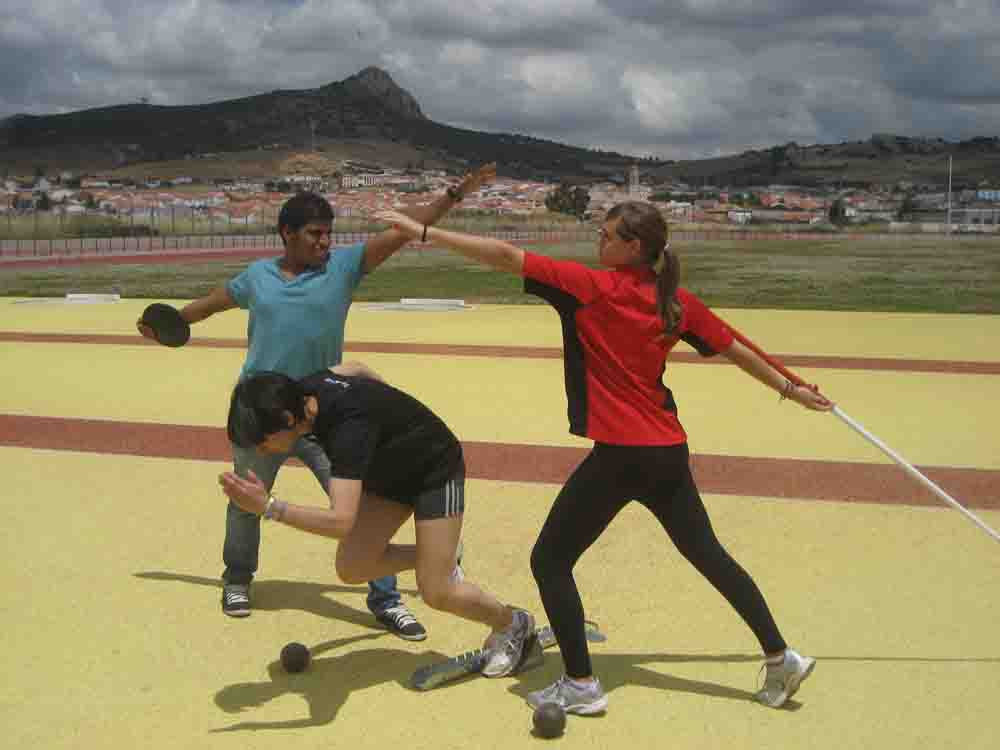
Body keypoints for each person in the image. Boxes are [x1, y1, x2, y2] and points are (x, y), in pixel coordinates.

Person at [374, 202, 833, 712]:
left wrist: (424, 232)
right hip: (666, 453)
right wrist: (792, 389)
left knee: (550, 560)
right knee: (709, 555)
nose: (599, 239)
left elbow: (505, 256)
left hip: (621, 456)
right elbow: (738, 348)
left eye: (608, 234)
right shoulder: (677, 302)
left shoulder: (592, 288)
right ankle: (780, 656)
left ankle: (581, 684)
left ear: (633, 247)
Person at [137, 163, 495, 639]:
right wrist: (167, 326)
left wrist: (454, 194)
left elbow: (404, 232)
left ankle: (386, 599)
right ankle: (238, 578)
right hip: (263, 416)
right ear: (286, 233)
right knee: (244, 502)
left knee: (361, 512)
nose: (324, 242)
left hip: (319, 415)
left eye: (328, 233)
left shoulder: (343, 268)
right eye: (313, 234)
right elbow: (207, 305)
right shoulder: (256, 277)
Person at [218, 363, 536, 677]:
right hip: (390, 476)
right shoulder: (307, 388)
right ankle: (441, 555)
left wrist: (269, 507)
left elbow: (340, 521)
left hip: (434, 470)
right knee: (353, 566)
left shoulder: (348, 430)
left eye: (262, 442)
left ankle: (513, 624)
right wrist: (387, 408)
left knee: (437, 592)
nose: (262, 451)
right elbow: (356, 368)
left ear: (287, 420)